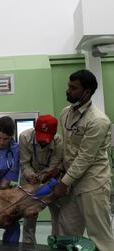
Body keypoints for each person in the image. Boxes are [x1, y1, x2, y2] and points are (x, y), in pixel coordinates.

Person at [53, 69, 114, 251]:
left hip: (92, 184)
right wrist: (58, 169)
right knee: (68, 232)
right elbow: (66, 146)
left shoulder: (98, 121)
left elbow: (85, 158)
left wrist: (63, 183)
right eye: (68, 86)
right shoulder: (66, 113)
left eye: (73, 88)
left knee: (99, 236)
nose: (68, 90)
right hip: (71, 182)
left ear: (86, 92)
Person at [19, 114, 64, 244]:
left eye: (47, 138)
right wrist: (30, 175)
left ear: (54, 134)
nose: (43, 141)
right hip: (29, 179)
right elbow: (24, 163)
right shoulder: (24, 137)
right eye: (40, 137)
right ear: (34, 129)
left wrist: (44, 176)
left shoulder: (59, 142)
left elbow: (54, 165)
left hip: (51, 179)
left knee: (57, 214)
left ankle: (56, 243)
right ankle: (28, 245)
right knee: (29, 215)